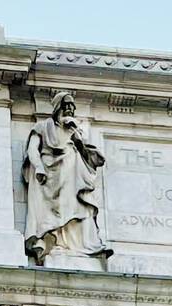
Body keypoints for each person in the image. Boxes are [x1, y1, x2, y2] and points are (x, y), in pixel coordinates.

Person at [23, 91, 111, 266]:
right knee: (57, 210)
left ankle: (78, 243)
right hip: (50, 177)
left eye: (72, 107)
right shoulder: (42, 127)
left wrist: (77, 136)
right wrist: (39, 166)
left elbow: (94, 157)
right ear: (57, 108)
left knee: (77, 207)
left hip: (72, 178)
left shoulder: (75, 131)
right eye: (66, 106)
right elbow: (32, 150)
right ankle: (55, 242)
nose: (69, 110)